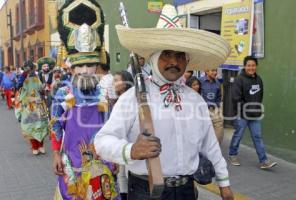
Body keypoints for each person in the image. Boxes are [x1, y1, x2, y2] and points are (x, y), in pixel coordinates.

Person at [94, 4, 233, 200]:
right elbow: (101, 141)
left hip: (187, 190)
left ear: (187, 61)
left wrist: (224, 182)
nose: (173, 62)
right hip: (145, 191)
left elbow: (210, 145)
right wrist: (130, 150)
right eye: (166, 55)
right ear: (154, 58)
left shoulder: (195, 99)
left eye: (179, 56)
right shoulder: (132, 97)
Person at [51, 1, 120, 199]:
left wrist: (115, 156)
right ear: (71, 68)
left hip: (103, 164)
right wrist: (56, 154)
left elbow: (111, 127)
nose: (84, 71)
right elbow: (56, 126)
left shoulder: (103, 94)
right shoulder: (63, 93)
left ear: (97, 66)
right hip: (73, 166)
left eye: (90, 65)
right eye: (79, 66)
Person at [228, 56, 277, 169]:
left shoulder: (258, 79)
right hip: (242, 114)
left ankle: (264, 161)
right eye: (249, 65)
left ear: (256, 66)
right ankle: (232, 154)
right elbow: (236, 98)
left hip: (255, 114)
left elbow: (260, 96)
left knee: (257, 137)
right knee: (238, 135)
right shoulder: (239, 80)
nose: (251, 67)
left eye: (253, 65)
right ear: (245, 66)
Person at [16, 60, 48, 155]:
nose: (31, 70)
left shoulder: (38, 76)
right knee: (31, 125)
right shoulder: (22, 77)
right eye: (28, 69)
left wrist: (43, 88)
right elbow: (19, 86)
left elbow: (41, 88)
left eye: (31, 68)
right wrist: (24, 76)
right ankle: (35, 147)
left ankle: (41, 146)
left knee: (41, 125)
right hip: (28, 106)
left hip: (39, 104)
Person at [113, 70, 134, 200]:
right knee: (121, 176)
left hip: (128, 145)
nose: (113, 83)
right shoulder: (120, 100)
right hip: (121, 145)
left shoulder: (129, 101)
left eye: (116, 80)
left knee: (126, 175)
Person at [200, 69, 224, 144]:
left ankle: (216, 151)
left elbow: (219, 96)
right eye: (213, 71)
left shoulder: (217, 82)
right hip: (202, 110)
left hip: (214, 109)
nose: (215, 73)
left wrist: (217, 106)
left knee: (219, 128)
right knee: (204, 130)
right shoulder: (200, 81)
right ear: (206, 71)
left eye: (216, 71)